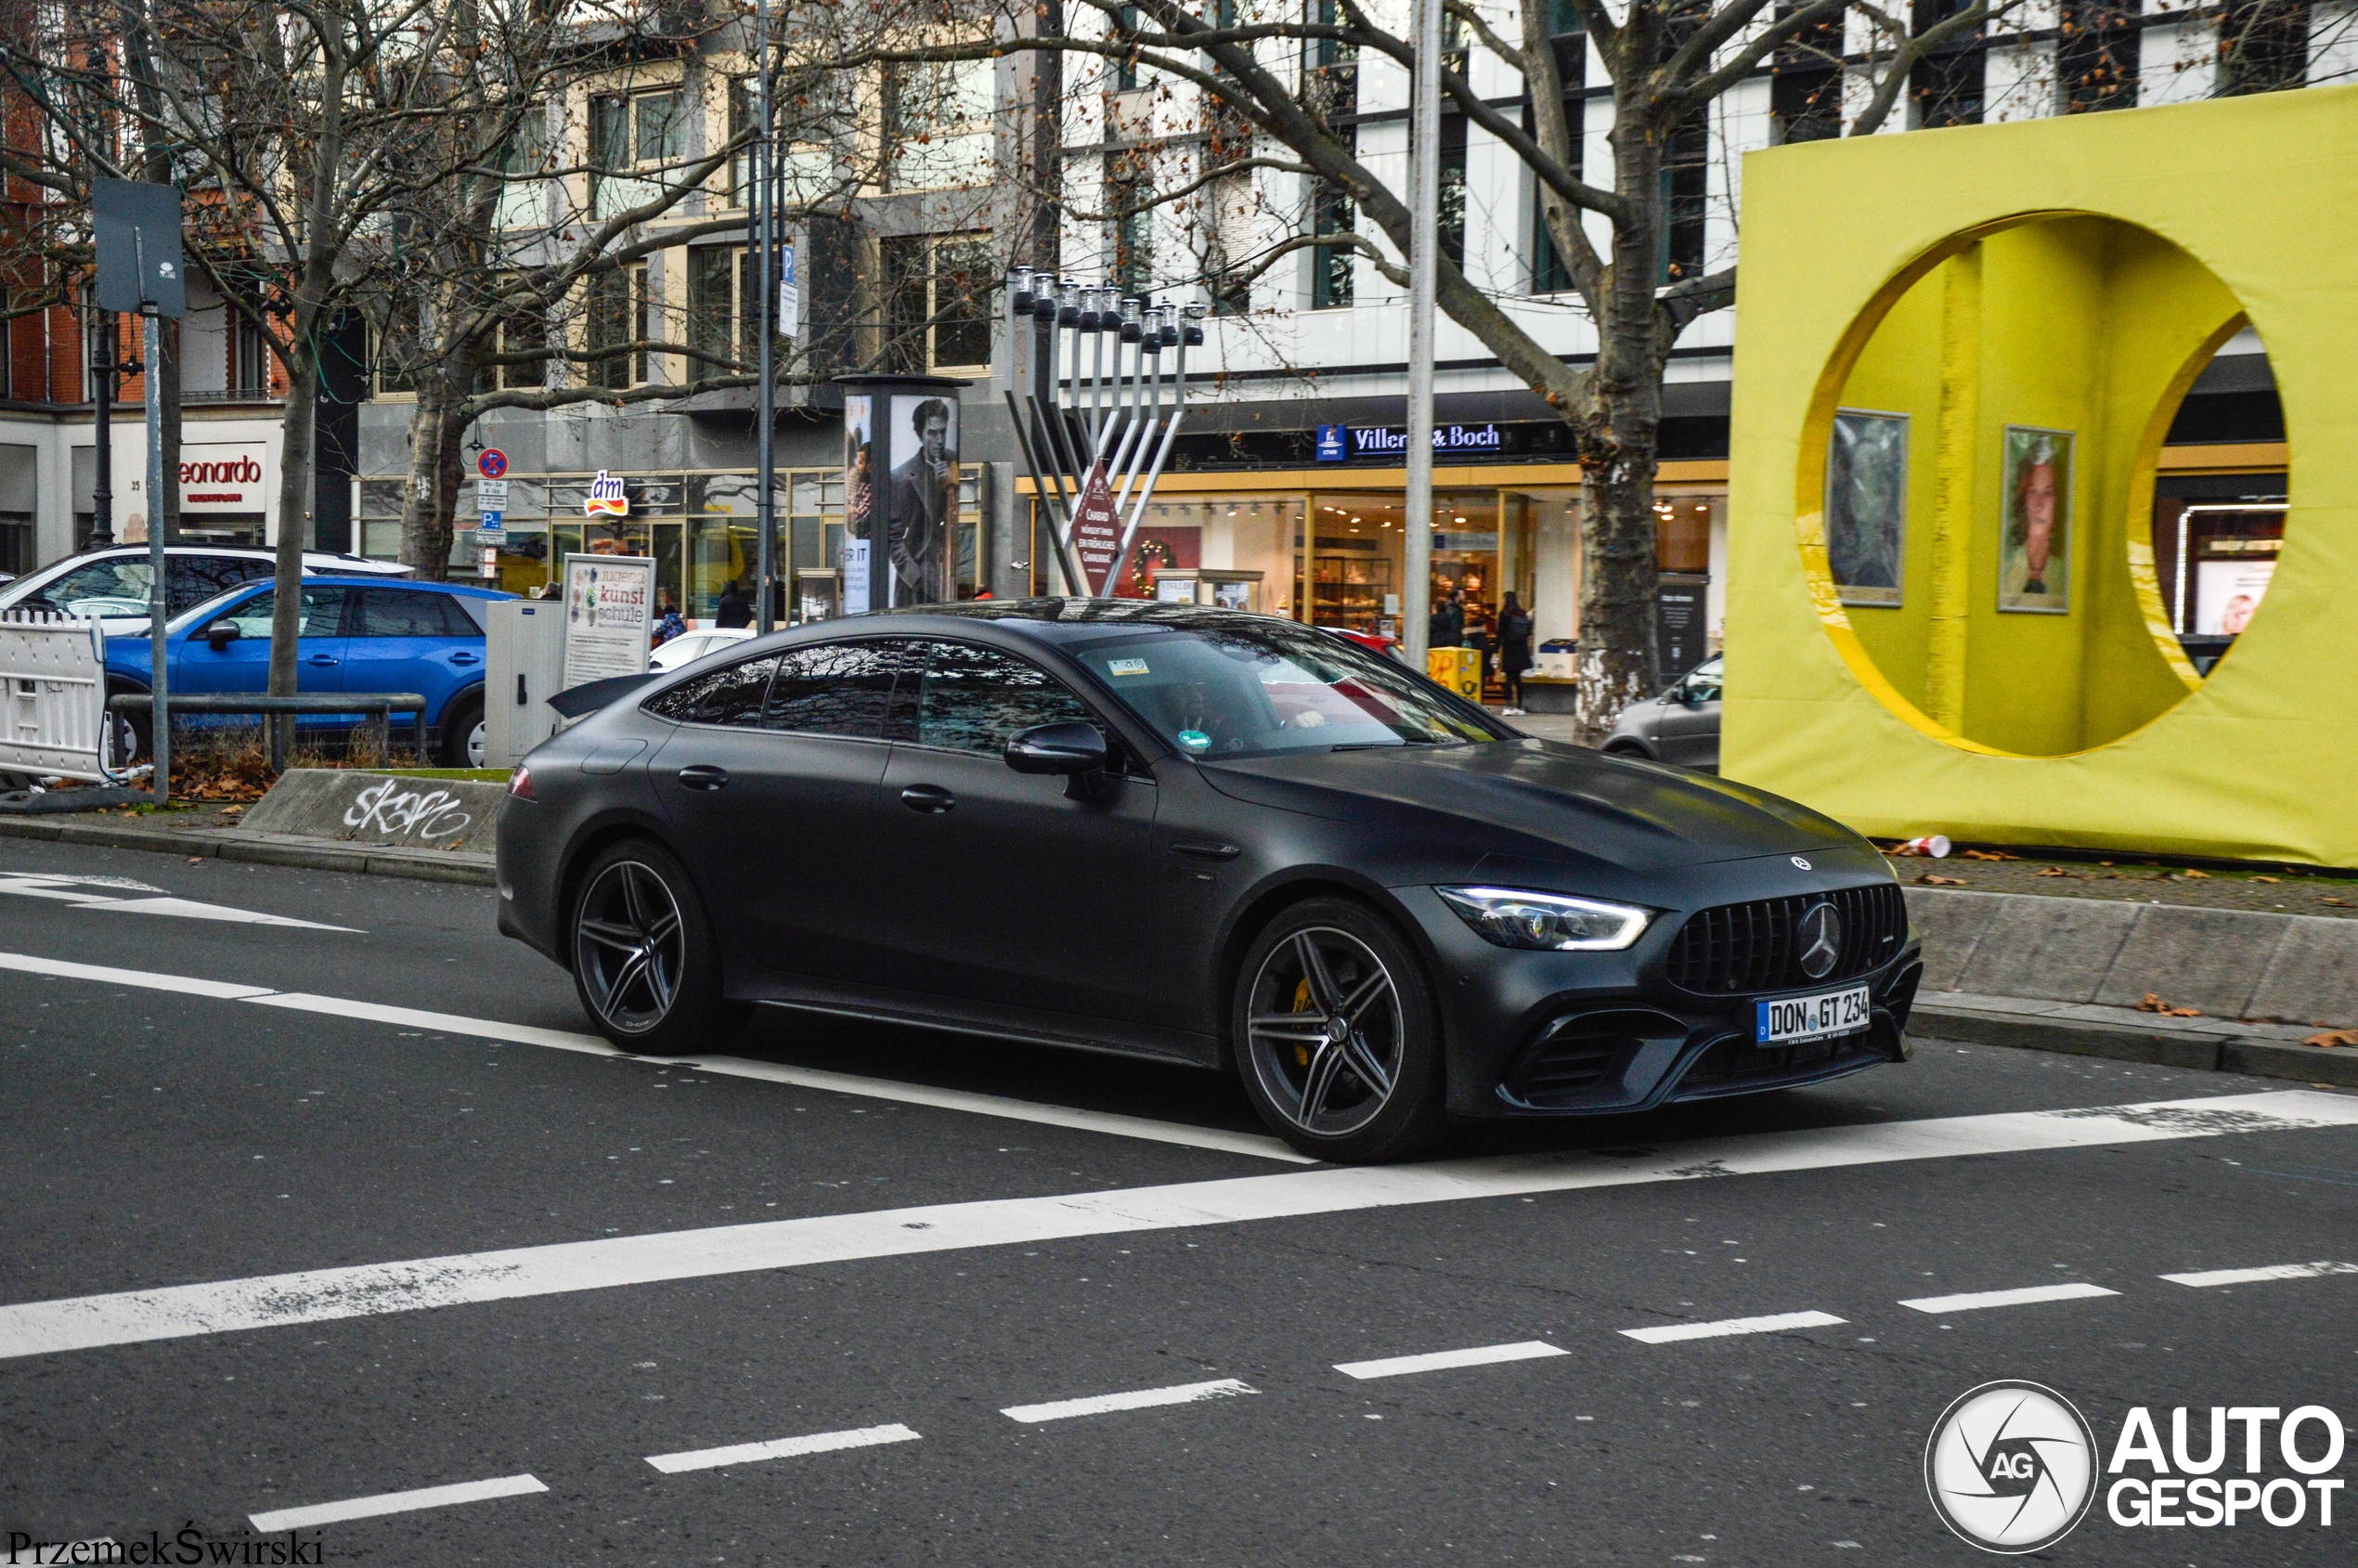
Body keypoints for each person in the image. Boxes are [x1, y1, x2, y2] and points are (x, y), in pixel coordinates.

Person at [887, 397, 956, 603]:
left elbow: (949, 520)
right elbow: (892, 536)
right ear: (920, 435)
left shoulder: (952, 462)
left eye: (943, 432)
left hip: (945, 575)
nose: (939, 440)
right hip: (918, 582)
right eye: (932, 433)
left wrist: (947, 486)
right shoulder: (901, 477)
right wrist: (914, 577)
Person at [1497, 591, 1534, 715]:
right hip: (1521, 649)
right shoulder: (1522, 614)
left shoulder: (1504, 614)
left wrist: (1496, 651)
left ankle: (1508, 706)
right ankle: (1520, 706)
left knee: (1509, 678)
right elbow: (1528, 633)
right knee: (1518, 679)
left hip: (1509, 648)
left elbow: (1500, 633)